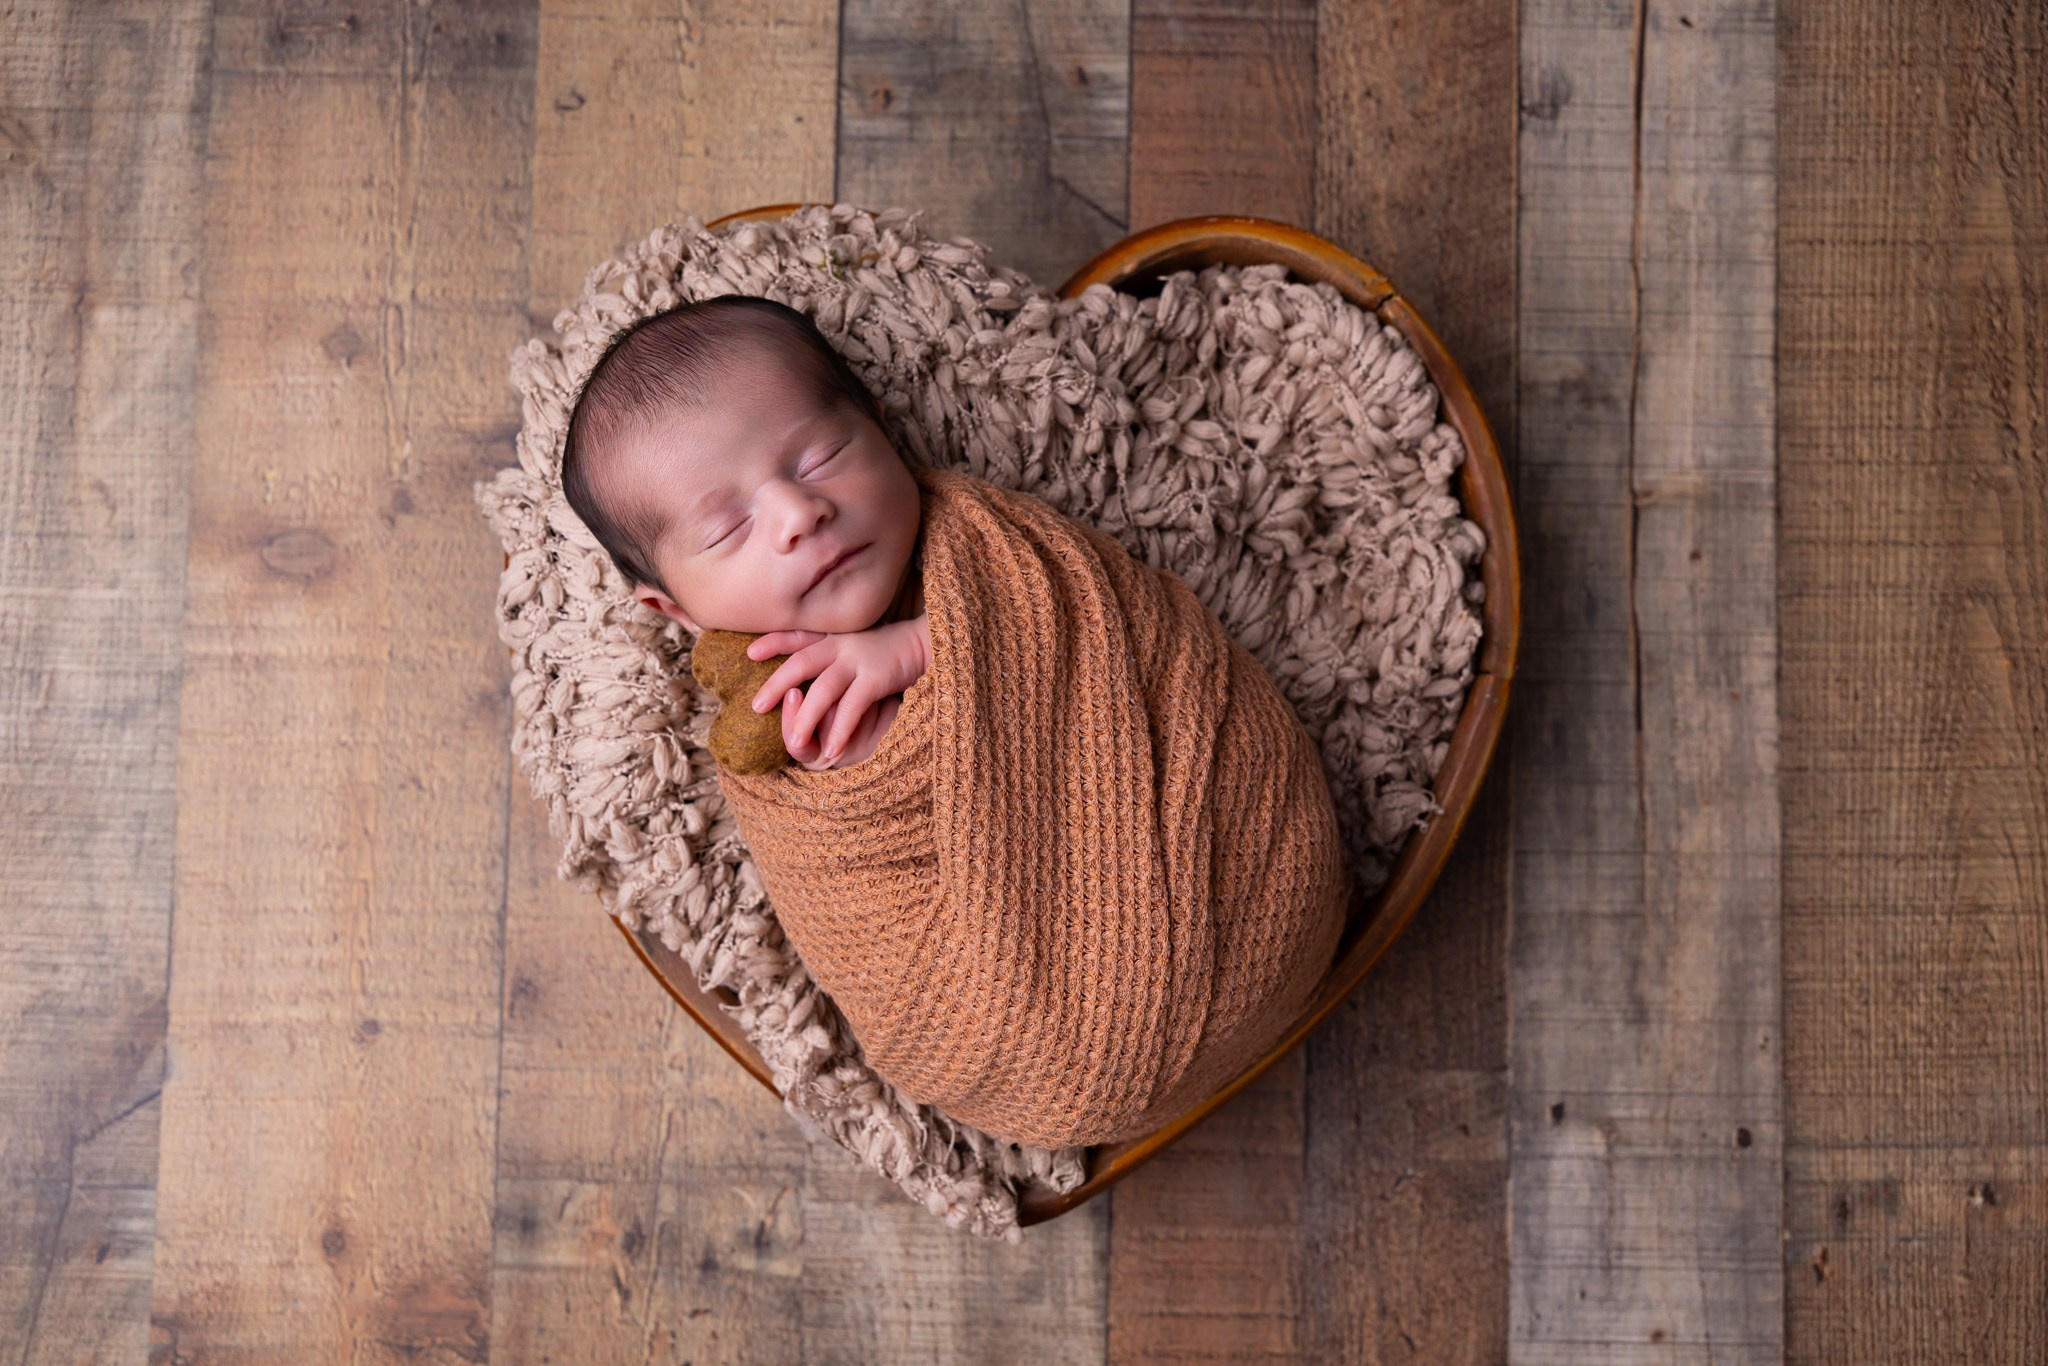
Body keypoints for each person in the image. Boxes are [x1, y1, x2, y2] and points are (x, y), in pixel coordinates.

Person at [562, 295, 926, 772]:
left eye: (822, 458)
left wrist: (919, 648)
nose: (798, 514)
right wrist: (871, 761)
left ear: (883, 432)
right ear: (677, 609)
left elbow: (1055, 590)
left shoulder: (976, 539)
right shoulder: (771, 723)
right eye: (727, 529)